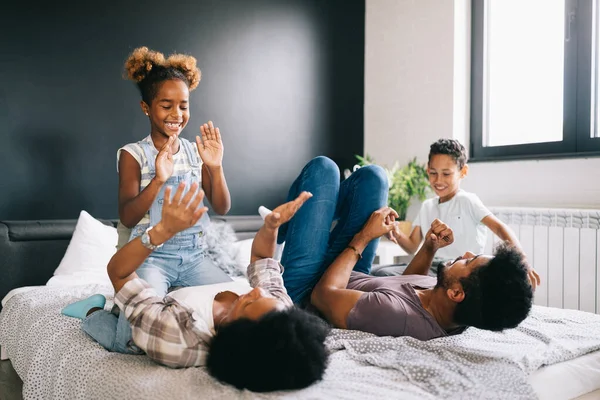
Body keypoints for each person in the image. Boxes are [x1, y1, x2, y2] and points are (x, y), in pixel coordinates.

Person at [68, 183, 330, 392]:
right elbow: (261, 260)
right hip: (183, 287)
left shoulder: (176, 338)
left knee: (122, 339)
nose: (255, 291)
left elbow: (118, 272)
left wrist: (161, 231)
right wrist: (271, 226)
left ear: (231, 330)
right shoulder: (279, 314)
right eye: (260, 294)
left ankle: (93, 309)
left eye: (249, 302)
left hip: (155, 319)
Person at [62, 46, 233, 354]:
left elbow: (221, 207)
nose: (177, 115)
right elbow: (127, 217)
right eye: (166, 105)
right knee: (131, 342)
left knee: (235, 313)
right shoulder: (133, 154)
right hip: (150, 257)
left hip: (194, 257)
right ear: (146, 107)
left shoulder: (196, 152)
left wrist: (216, 167)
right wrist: (158, 179)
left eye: (183, 105)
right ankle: (94, 311)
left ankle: (135, 304)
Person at [270, 156, 533, 340]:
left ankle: (282, 226)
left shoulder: (396, 315)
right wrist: (429, 246)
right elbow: (408, 282)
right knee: (375, 176)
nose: (464, 255)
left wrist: (364, 237)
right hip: (351, 273)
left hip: (307, 290)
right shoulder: (448, 301)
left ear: (456, 293)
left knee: (323, 169)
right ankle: (300, 221)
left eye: (469, 261)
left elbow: (323, 296)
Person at [387, 138, 540, 289]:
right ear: (427, 170)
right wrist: (396, 233)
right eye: (433, 173)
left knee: (400, 283)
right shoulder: (427, 206)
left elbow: (500, 228)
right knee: (383, 273)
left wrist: (523, 261)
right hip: (431, 268)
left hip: (461, 271)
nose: (438, 180)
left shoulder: (467, 201)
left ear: (463, 172)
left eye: (446, 174)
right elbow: (412, 247)